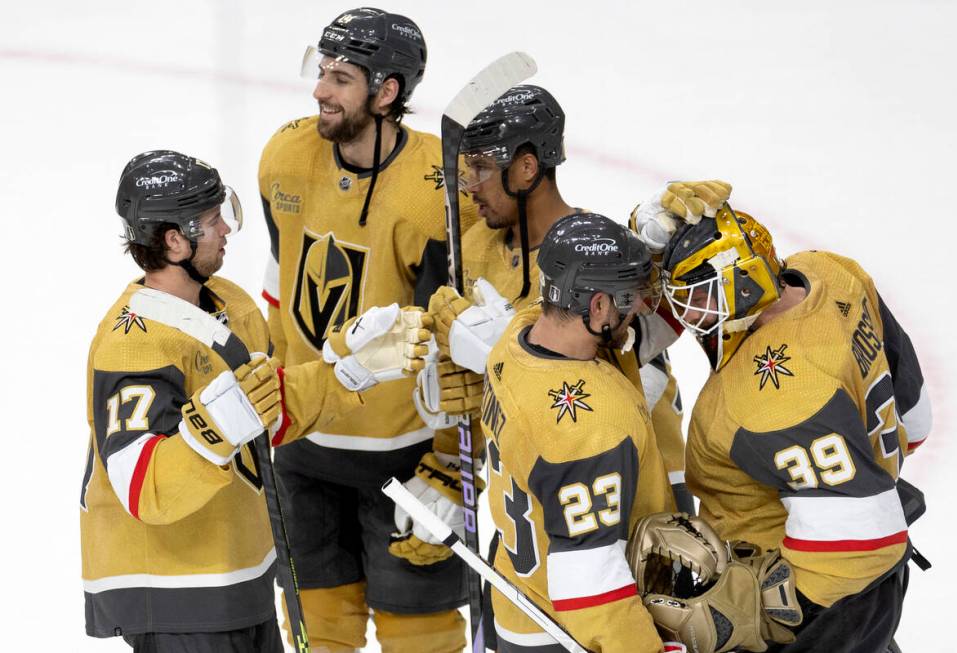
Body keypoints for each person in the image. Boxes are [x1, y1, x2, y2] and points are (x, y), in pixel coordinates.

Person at [80, 150, 430, 651]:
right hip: (176, 594)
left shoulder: (231, 304)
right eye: (210, 220)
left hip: (241, 576)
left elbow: (266, 417)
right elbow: (142, 487)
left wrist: (350, 373)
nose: (226, 229)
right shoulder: (132, 343)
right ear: (174, 240)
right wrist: (217, 425)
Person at [258, 7, 478, 651]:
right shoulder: (285, 156)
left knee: (423, 635)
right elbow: (279, 288)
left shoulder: (438, 188)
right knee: (318, 635)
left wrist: (447, 470)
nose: (321, 90)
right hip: (300, 441)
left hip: (402, 457)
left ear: (387, 92)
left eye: (343, 78)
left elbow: (454, 338)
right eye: (321, 72)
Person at [629, 198, 931, 652]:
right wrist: (656, 234)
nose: (688, 315)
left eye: (701, 297)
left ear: (745, 282)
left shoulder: (772, 397)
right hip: (881, 562)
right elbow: (915, 415)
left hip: (826, 601)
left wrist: (758, 613)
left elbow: (861, 545)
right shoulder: (830, 273)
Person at [421, 84, 694, 513]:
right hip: (551, 479)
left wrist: (493, 359)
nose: (468, 187)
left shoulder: (601, 254)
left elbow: (632, 375)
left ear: (527, 168)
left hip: (636, 475)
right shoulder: (475, 245)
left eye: (481, 168)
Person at [476, 212, 678, 652]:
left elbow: (641, 329)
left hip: (519, 600)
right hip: (567, 635)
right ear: (599, 307)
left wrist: (657, 236)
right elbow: (594, 595)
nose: (639, 308)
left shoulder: (518, 335)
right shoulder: (592, 424)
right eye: (629, 299)